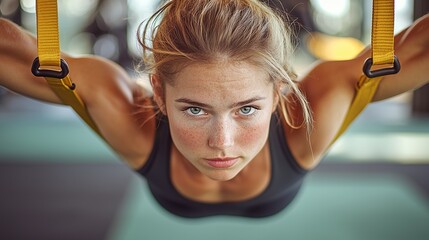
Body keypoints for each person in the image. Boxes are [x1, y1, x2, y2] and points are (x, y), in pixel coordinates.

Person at [0, 0, 428, 218]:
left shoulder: (311, 110)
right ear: (158, 92)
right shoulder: (127, 114)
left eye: (246, 110)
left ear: (281, 93)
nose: (222, 143)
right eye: (195, 110)